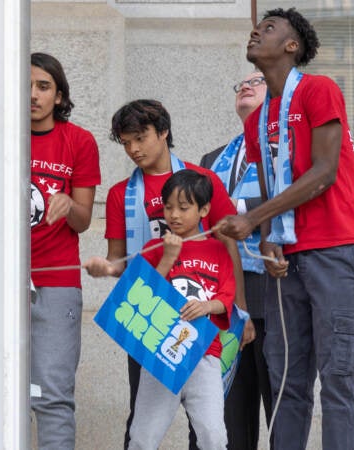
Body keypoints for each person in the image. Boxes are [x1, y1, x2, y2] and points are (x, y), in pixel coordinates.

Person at [218, 8, 354, 450]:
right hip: (287, 255)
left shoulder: (319, 89)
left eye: (268, 28)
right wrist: (266, 240)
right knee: (286, 377)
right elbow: (267, 186)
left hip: (334, 248)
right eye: (255, 26)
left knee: (337, 375)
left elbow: (322, 173)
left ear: (291, 46)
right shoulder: (256, 120)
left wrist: (253, 220)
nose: (254, 32)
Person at [82, 99, 249, 449]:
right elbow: (120, 262)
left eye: (140, 138)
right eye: (126, 142)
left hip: (205, 332)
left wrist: (240, 312)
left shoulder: (201, 181)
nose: (133, 149)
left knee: (208, 426)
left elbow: (226, 244)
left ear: (163, 132)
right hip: (149, 320)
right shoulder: (119, 195)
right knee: (143, 420)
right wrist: (104, 269)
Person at [0, 52, 100, 449]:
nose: (33, 95)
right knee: (1, 395)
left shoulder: (79, 140)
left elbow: (83, 220)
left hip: (57, 282)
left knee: (53, 396)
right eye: (25, 85)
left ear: (59, 96)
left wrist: (68, 206)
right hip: (3, 281)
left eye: (43, 86)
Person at [188, 71, 273, 450]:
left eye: (257, 80)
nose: (244, 85)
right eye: (239, 82)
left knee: (282, 405)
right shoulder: (212, 160)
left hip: (276, 289)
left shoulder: (289, 150)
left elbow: (292, 206)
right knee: (229, 415)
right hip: (224, 297)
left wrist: (238, 212)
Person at [129, 169, 234, 449]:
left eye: (183, 208)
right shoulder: (154, 246)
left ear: (204, 210)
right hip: (160, 352)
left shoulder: (219, 250)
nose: (174, 215)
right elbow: (139, 294)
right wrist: (168, 257)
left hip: (204, 352)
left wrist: (205, 306)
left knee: (214, 436)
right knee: (142, 437)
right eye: (168, 207)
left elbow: (226, 298)